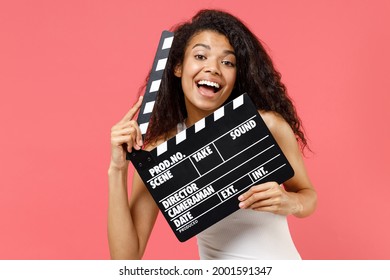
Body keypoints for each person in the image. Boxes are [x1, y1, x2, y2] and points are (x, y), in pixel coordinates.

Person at [108, 9, 317, 260]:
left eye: (227, 62)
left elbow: (307, 195)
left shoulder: (267, 125)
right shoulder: (158, 153)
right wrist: (117, 170)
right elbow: (125, 260)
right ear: (178, 67)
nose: (213, 68)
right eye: (200, 56)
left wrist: (289, 202)